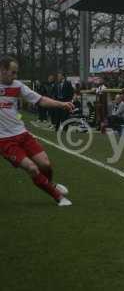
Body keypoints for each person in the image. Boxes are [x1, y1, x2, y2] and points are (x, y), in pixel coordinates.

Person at [0, 56, 74, 206]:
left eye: (16, 73)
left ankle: (50, 184)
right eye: (13, 73)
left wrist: (62, 104)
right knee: (32, 168)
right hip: (5, 140)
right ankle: (58, 197)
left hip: (22, 134)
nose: (15, 76)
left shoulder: (18, 86)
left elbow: (41, 100)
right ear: (2, 70)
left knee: (45, 165)